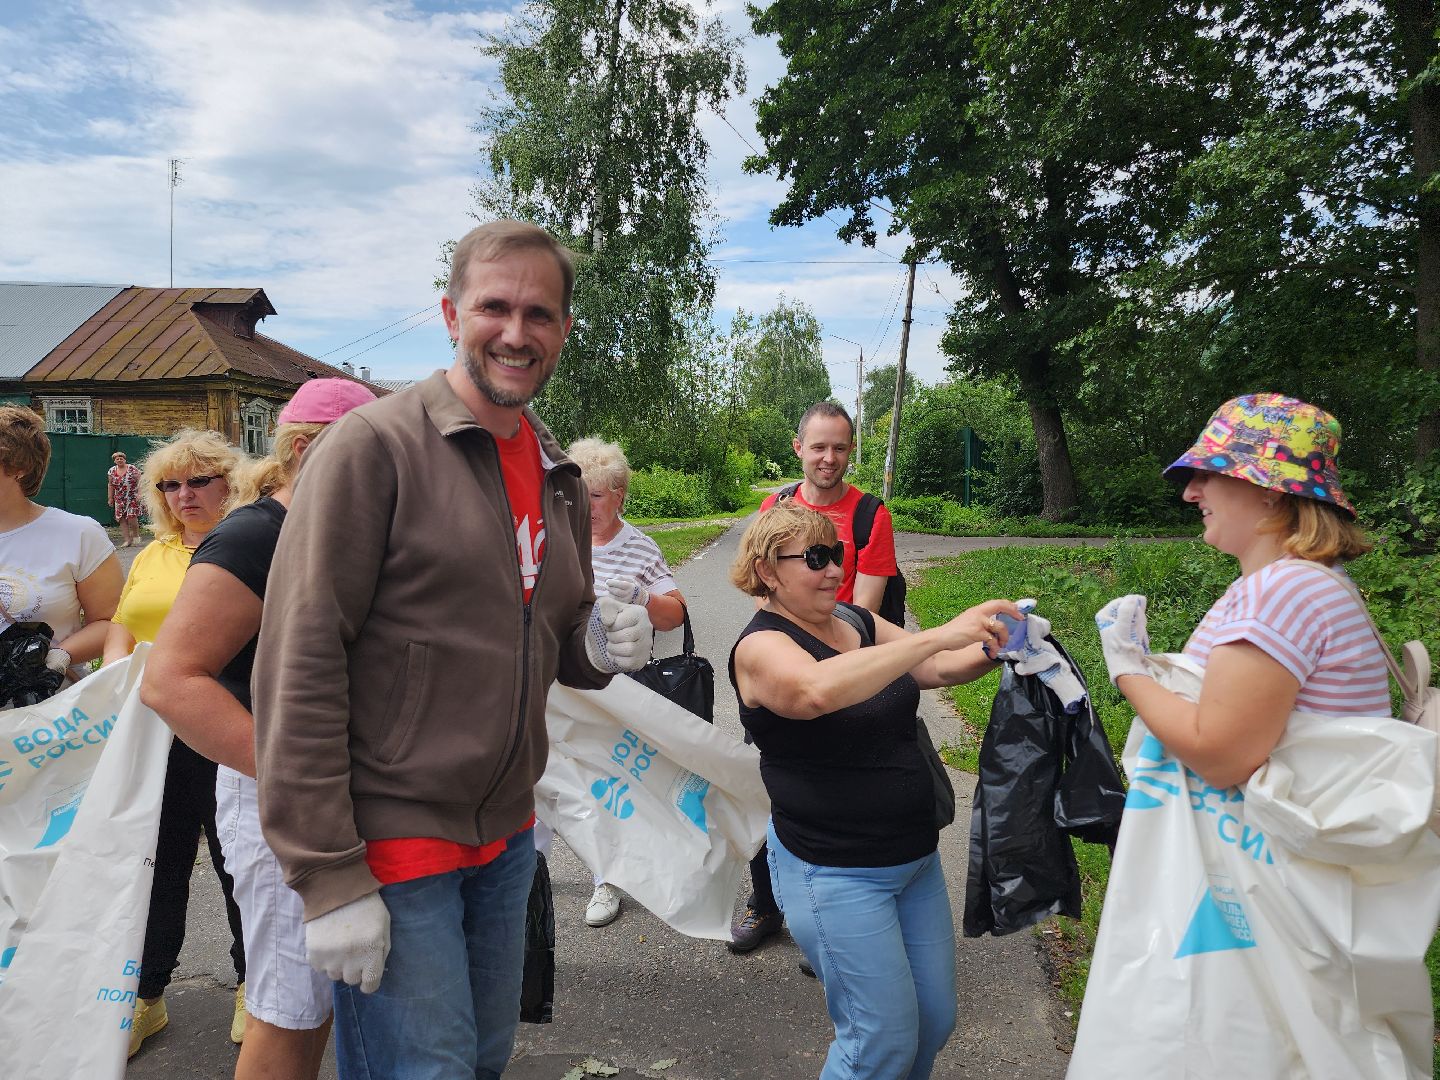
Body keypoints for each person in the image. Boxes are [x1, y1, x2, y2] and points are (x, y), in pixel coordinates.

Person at [251, 220, 653, 1080]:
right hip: (395, 846)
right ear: (450, 314)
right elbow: (300, 661)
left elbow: (553, 635)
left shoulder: (555, 470)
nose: (516, 332)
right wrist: (328, 877)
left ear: (564, 329)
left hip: (506, 837)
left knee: (483, 1061)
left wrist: (602, 642)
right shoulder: (374, 447)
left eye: (539, 314)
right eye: (494, 307)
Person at [1085, 393, 1395, 1070]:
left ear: (1270, 491)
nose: (1191, 492)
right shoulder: (1315, 584)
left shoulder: (1281, 591)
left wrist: (1127, 668)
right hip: (1295, 887)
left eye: (1209, 475)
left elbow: (1220, 753)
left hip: (1259, 895)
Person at [729, 501, 1021, 1080]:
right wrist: (935, 636)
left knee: (933, 1023)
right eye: (816, 558)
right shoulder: (760, 647)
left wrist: (1000, 646)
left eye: (837, 554)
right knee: (878, 1042)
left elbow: (937, 668)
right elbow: (815, 691)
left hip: (913, 859)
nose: (836, 570)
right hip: (835, 870)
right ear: (767, 571)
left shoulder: (854, 620)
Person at [140, 379, 376, 1080]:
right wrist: (295, 778)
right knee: (288, 1012)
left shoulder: (337, 529)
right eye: (369, 450)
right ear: (302, 449)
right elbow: (170, 681)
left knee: (323, 999)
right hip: (278, 796)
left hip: (336, 793)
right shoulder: (255, 535)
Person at [733, 401, 900, 955]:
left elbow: (863, 612)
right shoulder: (774, 507)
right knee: (772, 783)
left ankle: (841, 912)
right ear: (798, 448)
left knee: (847, 786)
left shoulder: (870, 515)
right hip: (790, 662)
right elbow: (764, 596)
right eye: (819, 446)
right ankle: (766, 901)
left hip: (849, 662)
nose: (829, 458)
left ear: (851, 452)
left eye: (840, 447)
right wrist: (778, 662)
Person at [104, 428, 249, 1058]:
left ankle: (253, 986)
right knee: (156, 864)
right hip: (151, 733)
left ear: (229, 484)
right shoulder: (153, 554)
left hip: (220, 723)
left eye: (198, 481)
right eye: (169, 484)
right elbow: (121, 622)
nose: (183, 494)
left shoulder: (246, 544)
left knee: (237, 860)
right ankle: (147, 995)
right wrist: (115, 677)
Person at [553, 436, 688, 928]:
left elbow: (675, 614)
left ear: (619, 496)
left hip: (621, 690)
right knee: (564, 784)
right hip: (561, 684)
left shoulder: (640, 548)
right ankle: (574, 876)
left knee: (616, 784)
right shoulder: (556, 539)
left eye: (595, 495)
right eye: (578, 495)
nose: (585, 506)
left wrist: (643, 598)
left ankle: (619, 877)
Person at [0, 405, 122, 679]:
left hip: (49, 700)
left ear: (19, 467)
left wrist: (58, 656)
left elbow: (113, 622)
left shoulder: (78, 534)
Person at [107, 449, 143, 547]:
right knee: (121, 519)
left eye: (121, 458)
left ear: (124, 459)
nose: (119, 460)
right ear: (115, 461)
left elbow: (140, 481)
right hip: (119, 498)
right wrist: (110, 498)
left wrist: (140, 494)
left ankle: (135, 535)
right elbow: (110, 485)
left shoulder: (132, 468)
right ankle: (127, 540)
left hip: (132, 496)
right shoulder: (111, 471)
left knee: (132, 517)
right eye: (117, 459)